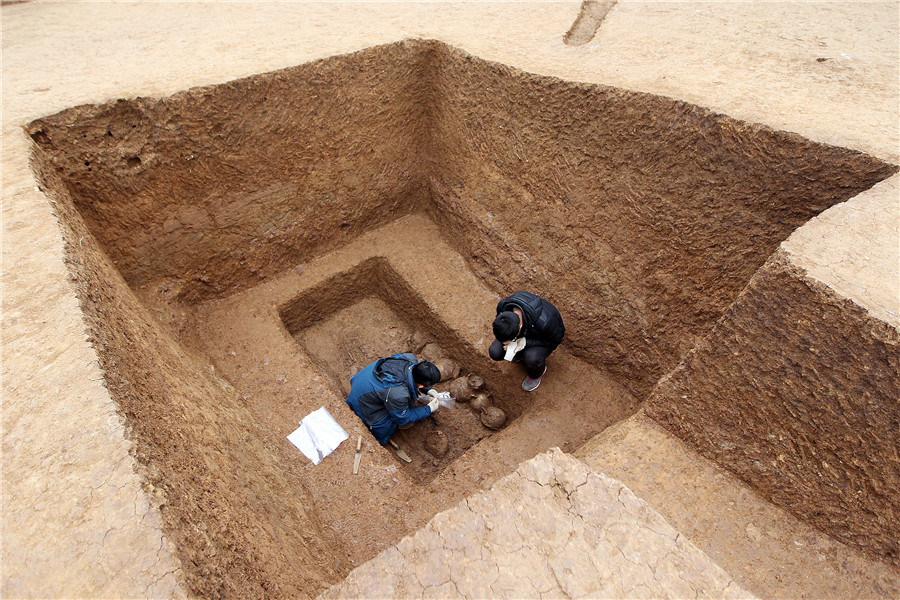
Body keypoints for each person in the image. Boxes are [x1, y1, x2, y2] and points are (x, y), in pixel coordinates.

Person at [345, 352, 442, 446]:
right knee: (385, 426)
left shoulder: (408, 358)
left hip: (361, 381)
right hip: (360, 403)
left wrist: (429, 390)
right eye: (430, 385)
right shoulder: (398, 394)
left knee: (399, 402)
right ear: (421, 385)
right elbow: (402, 418)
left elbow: (414, 379)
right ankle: (379, 440)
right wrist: (428, 409)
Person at [489, 291, 565, 392]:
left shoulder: (545, 323)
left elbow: (554, 341)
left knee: (532, 358)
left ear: (520, 327)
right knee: (495, 352)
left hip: (542, 337)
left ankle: (536, 374)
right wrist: (511, 341)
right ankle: (519, 354)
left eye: (508, 340)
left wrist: (526, 342)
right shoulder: (503, 306)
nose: (504, 343)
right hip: (524, 331)